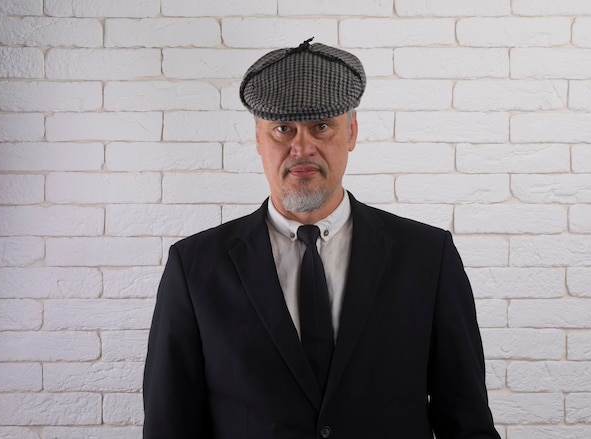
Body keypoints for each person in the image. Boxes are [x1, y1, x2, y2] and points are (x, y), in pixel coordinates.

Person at [143, 38, 500, 439]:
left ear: (351, 133)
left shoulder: (427, 258)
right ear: (258, 140)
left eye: (321, 126)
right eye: (282, 129)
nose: (302, 148)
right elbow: (168, 427)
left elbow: (467, 421)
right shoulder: (195, 267)